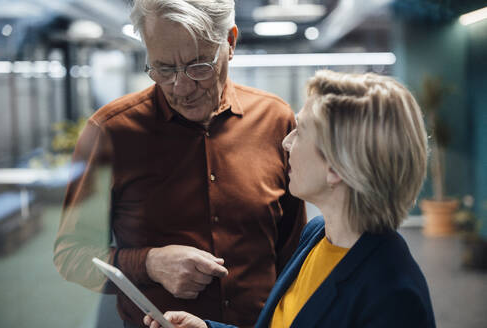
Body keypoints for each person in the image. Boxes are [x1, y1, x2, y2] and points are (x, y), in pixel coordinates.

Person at [53, 1, 306, 327]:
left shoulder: (276, 120)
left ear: (230, 43)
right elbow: (71, 255)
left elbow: (295, 253)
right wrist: (149, 264)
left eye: (198, 66)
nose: (182, 88)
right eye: (164, 70)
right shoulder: (111, 132)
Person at [143, 70, 436, 328]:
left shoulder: (393, 297)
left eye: (301, 131)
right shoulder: (317, 235)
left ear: (337, 166)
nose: (286, 142)